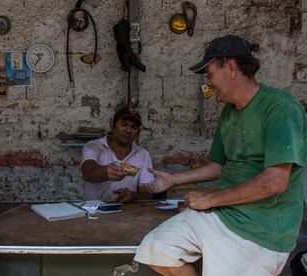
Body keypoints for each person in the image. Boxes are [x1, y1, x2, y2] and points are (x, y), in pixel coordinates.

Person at [134, 34, 307, 276]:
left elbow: (275, 182)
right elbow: (218, 164)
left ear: (231, 67)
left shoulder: (280, 107)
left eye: (210, 72)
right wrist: (175, 180)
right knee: (157, 249)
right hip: (224, 214)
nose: (208, 81)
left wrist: (210, 199)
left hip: (263, 228)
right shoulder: (229, 113)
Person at [81, 107, 161, 203]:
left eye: (134, 127)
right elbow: (87, 171)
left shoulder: (143, 154)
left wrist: (133, 196)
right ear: (112, 124)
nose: (128, 130)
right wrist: (105, 171)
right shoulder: (94, 147)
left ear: (138, 132)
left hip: (125, 214)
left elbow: (148, 194)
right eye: (124, 124)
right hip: (94, 212)